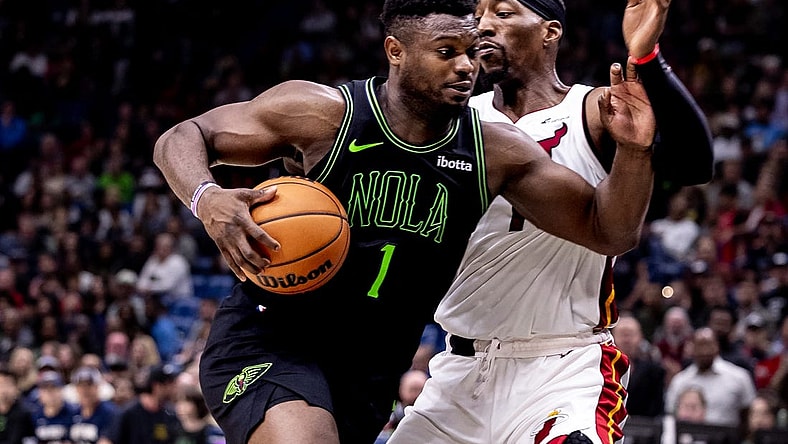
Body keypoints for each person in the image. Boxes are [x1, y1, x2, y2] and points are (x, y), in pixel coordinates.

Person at [152, 0, 658, 442]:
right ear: (396, 51)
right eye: (446, 52)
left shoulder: (494, 151)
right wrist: (207, 197)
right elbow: (184, 136)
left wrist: (634, 153)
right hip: (274, 338)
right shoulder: (324, 114)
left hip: (371, 371)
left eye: (470, 50)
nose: (466, 66)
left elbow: (608, 230)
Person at [388, 0, 712, 443]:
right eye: (479, 13)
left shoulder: (592, 109)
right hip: (458, 372)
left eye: (502, 13)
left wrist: (646, 60)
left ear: (549, 32)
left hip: (562, 366)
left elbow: (695, 162)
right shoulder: (454, 118)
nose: (483, 24)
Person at [664, 327, 756, 427]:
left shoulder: (739, 377)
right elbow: (671, 415)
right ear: (692, 348)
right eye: (700, 346)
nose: (704, 351)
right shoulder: (680, 381)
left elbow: (748, 413)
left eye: (708, 345)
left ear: (716, 346)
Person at [105, 364, 181, 444]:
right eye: (171, 384)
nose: (175, 388)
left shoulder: (169, 413)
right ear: (157, 386)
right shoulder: (129, 413)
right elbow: (107, 440)